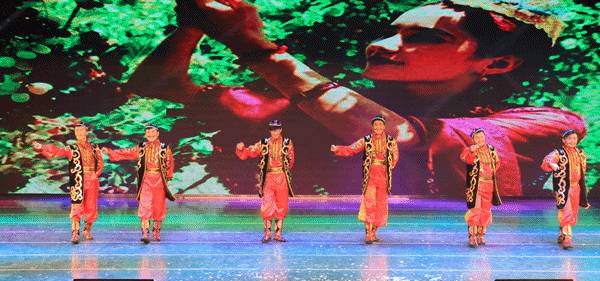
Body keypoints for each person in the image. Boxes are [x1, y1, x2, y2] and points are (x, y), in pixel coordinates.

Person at [124, 0, 587, 198]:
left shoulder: (545, 122)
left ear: (498, 62)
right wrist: (193, 28)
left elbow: (396, 135)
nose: (382, 45)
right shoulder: (321, 108)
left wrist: (250, 44)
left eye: (425, 37)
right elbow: (161, 86)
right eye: (392, 30)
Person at [102, 123, 176, 244]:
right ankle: (145, 233)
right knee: (145, 205)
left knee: (159, 207)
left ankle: (156, 232)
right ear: (145, 134)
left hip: (159, 181)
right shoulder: (141, 147)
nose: (151, 135)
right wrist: (110, 152)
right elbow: (127, 153)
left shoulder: (164, 148)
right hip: (146, 180)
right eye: (148, 133)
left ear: (157, 133)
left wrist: (167, 178)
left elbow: (170, 163)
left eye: (153, 132)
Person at [32, 122, 104, 244]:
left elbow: (100, 162)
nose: (79, 133)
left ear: (86, 132)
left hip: (92, 180)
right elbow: (57, 152)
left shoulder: (94, 147)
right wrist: (43, 148)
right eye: (76, 131)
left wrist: (95, 174)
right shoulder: (72, 148)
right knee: (77, 206)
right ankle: (75, 233)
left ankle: (87, 231)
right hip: (78, 180)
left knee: (91, 206)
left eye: (81, 130)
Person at [331, 115, 398, 244]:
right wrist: (338, 149)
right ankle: (368, 234)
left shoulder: (390, 141)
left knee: (380, 205)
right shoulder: (366, 140)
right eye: (375, 124)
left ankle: (374, 233)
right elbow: (352, 148)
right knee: (369, 203)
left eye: (380, 124)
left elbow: (395, 155)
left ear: (384, 126)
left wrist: (389, 167)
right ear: (372, 126)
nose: (378, 127)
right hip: (370, 176)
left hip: (383, 177)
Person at [236, 119, 294, 243]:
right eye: (273, 130)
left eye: (277, 129)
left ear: (281, 129)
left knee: (281, 205)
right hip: (268, 178)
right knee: (267, 205)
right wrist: (242, 149)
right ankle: (267, 234)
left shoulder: (287, 143)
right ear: (270, 131)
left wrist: (283, 172)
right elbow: (251, 151)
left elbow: (291, 160)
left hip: (282, 178)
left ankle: (277, 234)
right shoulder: (263, 143)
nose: (275, 132)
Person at [541, 129, 589, 250]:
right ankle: (567, 238)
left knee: (572, 211)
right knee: (566, 210)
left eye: (574, 138)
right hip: (563, 187)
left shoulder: (581, 153)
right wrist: (552, 164)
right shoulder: (558, 153)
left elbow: (582, 170)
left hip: (576, 187)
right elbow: (547, 160)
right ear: (563, 140)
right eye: (569, 138)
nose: (572, 141)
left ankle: (561, 233)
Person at [460, 128, 501, 247]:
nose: (480, 139)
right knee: (475, 210)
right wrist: (470, 151)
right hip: (476, 185)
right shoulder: (470, 150)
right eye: (477, 137)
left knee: (486, 211)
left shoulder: (491, 149)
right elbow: (466, 159)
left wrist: (490, 172)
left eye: (482, 136)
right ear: (473, 139)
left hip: (489, 184)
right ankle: (472, 237)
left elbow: (497, 163)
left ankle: (480, 236)